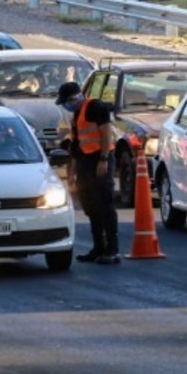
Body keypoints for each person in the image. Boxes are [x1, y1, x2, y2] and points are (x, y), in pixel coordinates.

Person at [56, 81, 120, 266]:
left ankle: (112, 249)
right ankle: (98, 247)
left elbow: (106, 134)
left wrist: (104, 159)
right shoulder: (78, 114)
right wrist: (72, 173)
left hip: (99, 160)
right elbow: (76, 146)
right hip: (86, 161)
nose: (66, 106)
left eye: (67, 102)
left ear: (74, 98)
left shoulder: (96, 108)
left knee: (105, 204)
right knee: (90, 205)